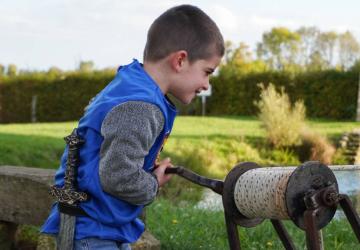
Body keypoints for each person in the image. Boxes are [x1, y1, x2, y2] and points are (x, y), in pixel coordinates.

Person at [41, 4, 224, 250]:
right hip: (93, 233)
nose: (205, 84)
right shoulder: (141, 106)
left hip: (93, 226)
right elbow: (118, 176)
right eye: (207, 72)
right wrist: (153, 184)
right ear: (180, 60)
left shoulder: (131, 85)